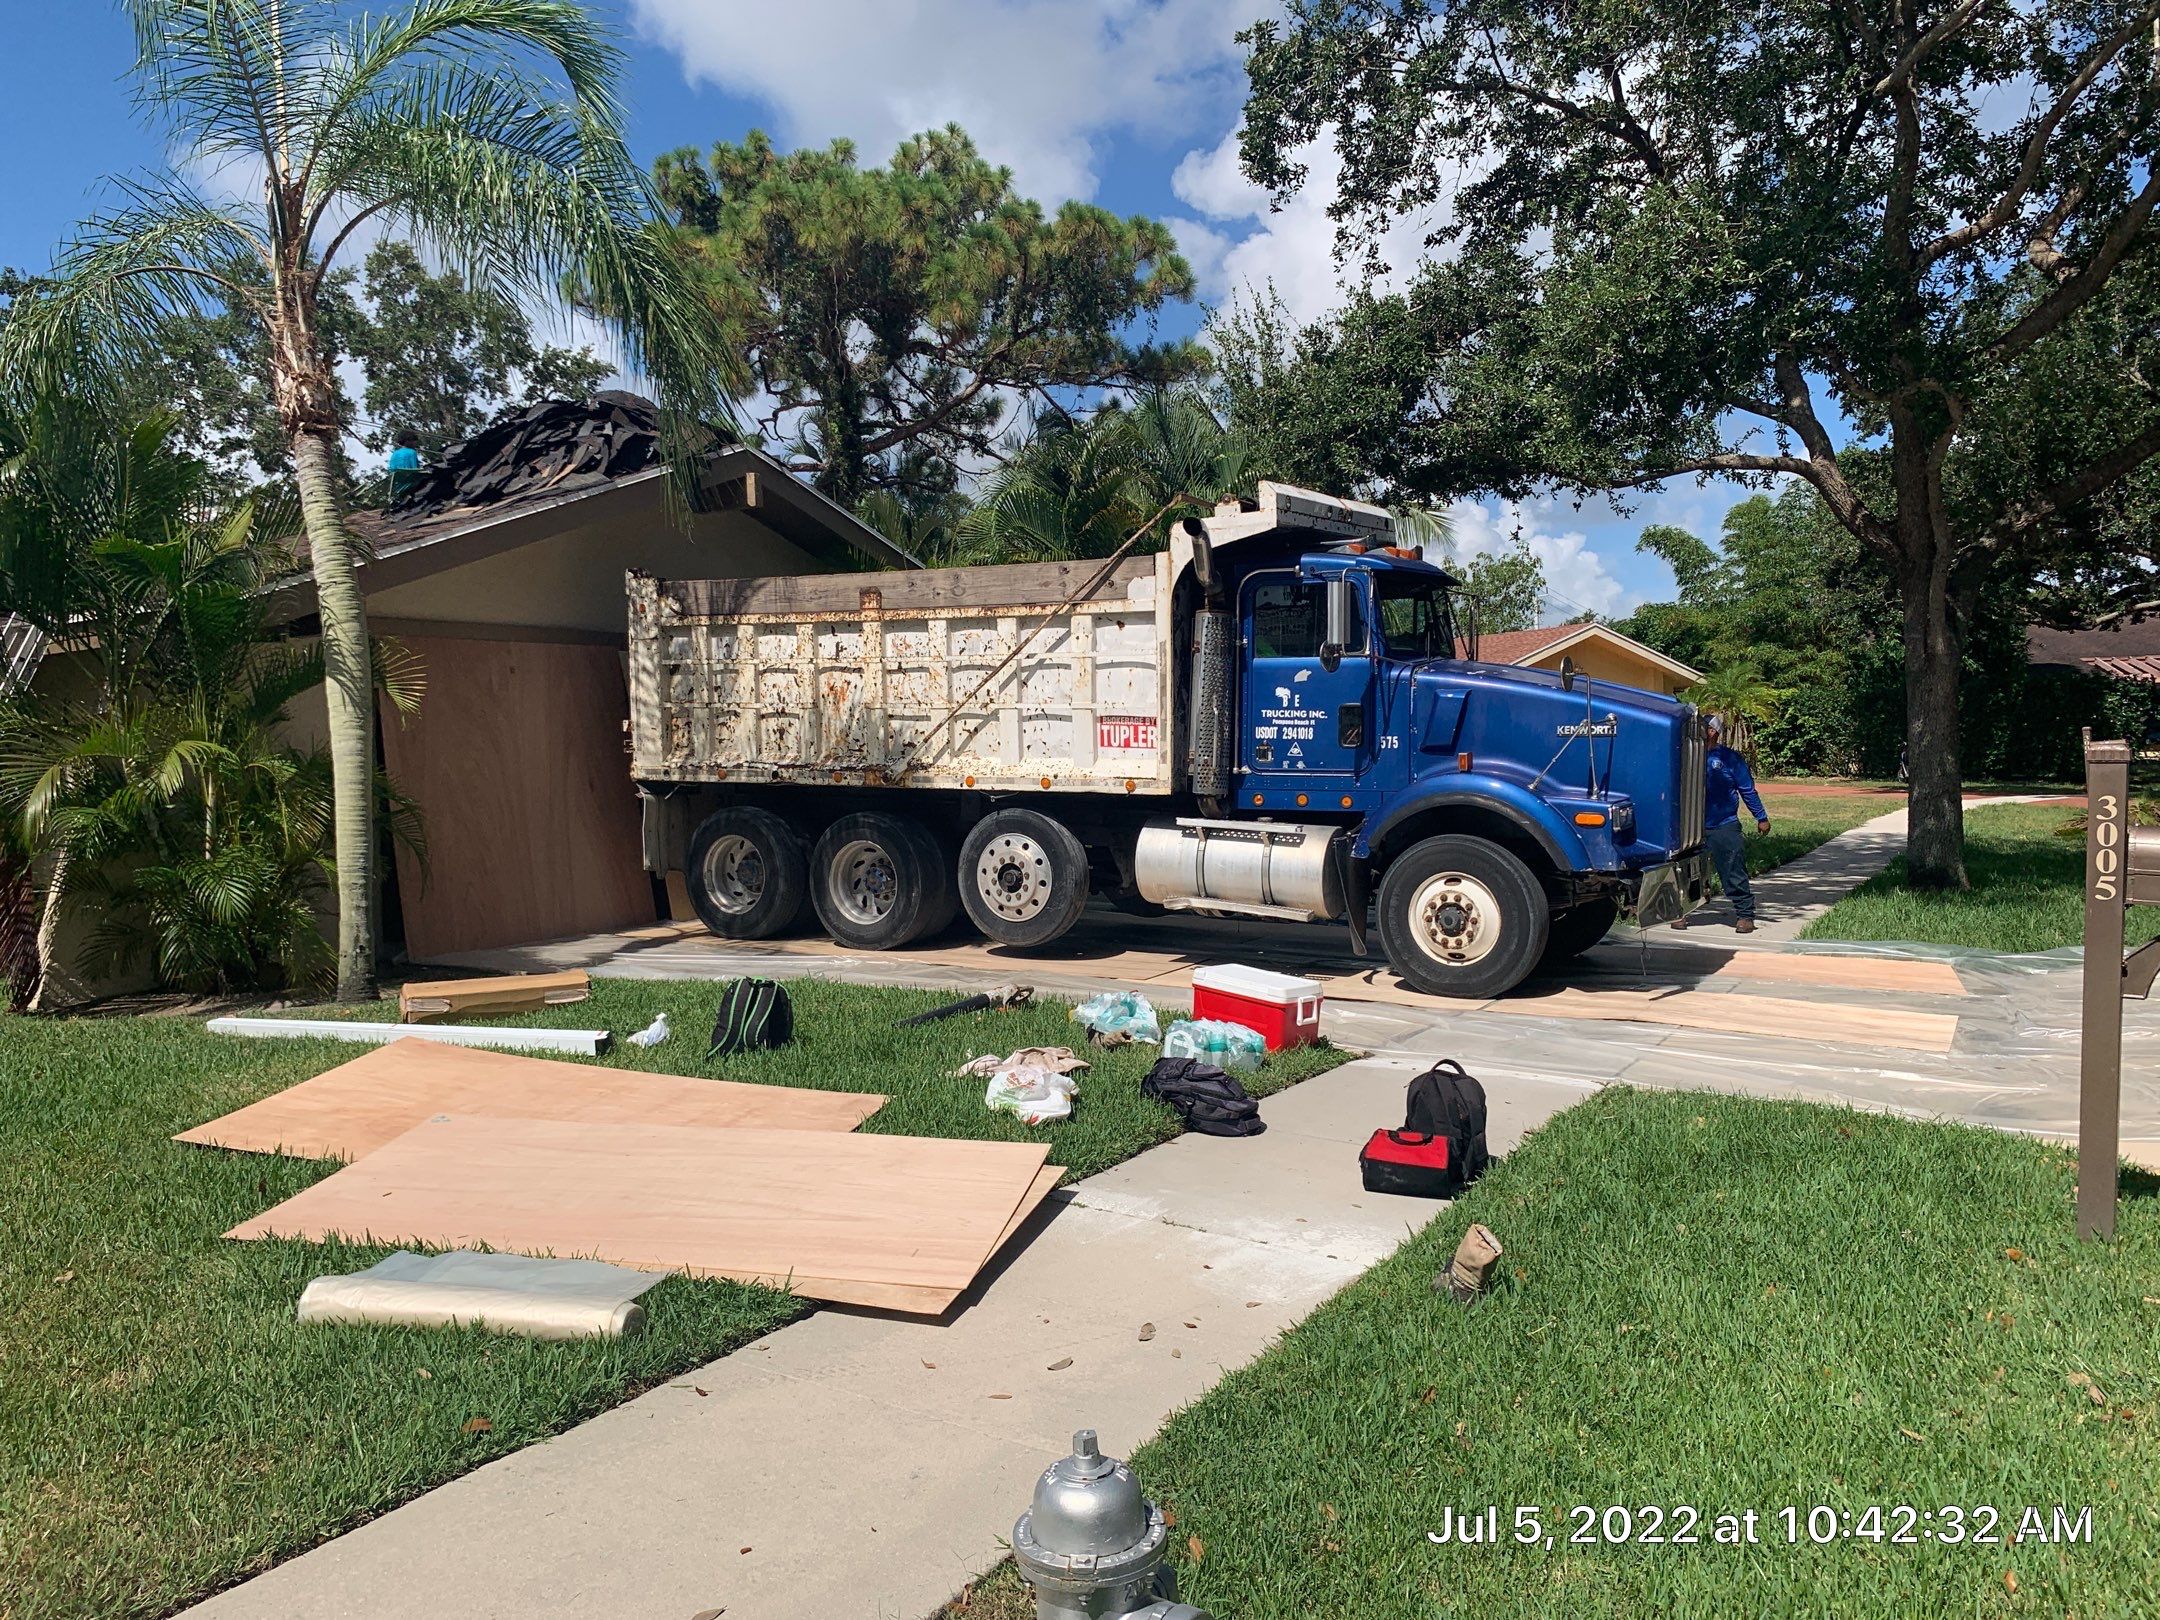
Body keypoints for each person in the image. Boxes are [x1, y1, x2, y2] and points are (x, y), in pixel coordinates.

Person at [1675, 713, 1770, 933]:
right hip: (1690, 826)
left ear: (1714, 732)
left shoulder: (1730, 759)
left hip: (1723, 824)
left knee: (1733, 869)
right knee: (1685, 872)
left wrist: (1761, 817)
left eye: (1704, 728)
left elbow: (1747, 790)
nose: (1700, 731)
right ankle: (1680, 911)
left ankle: (1745, 915)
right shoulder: (1685, 756)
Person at [387, 427, 423, 499]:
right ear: (407, 441)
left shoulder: (395, 453)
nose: (415, 443)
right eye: (413, 440)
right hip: (409, 484)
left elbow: (391, 470)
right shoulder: (412, 452)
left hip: (396, 486)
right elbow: (415, 470)